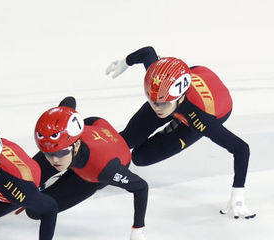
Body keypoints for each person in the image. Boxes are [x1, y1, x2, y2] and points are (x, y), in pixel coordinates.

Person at [106, 46, 255, 219]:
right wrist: (126, 62)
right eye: (151, 101)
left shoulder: (200, 118)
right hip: (187, 83)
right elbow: (148, 53)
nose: (156, 108)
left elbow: (241, 148)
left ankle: (175, 123)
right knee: (125, 141)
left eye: (160, 104)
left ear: (180, 97)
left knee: (141, 157)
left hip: (209, 110)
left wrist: (238, 195)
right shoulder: (160, 83)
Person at [21, 97, 163, 240]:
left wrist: (138, 230)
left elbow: (141, 187)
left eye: (60, 153)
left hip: (92, 174)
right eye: (48, 154)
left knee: (34, 211)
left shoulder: (105, 170)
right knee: (26, 178)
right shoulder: (61, 140)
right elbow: (68, 103)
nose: (54, 160)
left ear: (76, 144)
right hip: (95, 125)